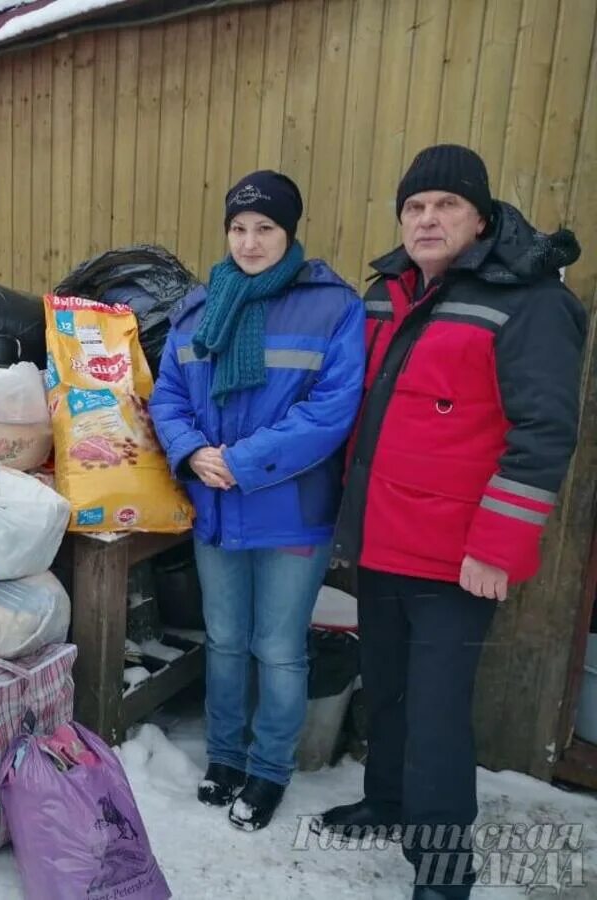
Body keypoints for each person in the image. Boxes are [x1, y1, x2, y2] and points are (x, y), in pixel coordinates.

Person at [321, 145, 586, 900]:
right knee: (391, 687)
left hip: (458, 558)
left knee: (437, 714)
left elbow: (543, 434)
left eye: (445, 205)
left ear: (480, 216)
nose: (427, 218)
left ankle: (443, 869)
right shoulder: (386, 292)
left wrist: (497, 548)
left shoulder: (530, 302)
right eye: (414, 206)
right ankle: (389, 799)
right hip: (381, 542)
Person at [150, 171, 365, 831]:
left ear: (289, 232)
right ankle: (223, 757)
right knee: (224, 641)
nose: (249, 241)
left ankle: (269, 769)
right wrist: (190, 450)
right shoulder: (196, 309)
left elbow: (333, 410)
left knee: (277, 646)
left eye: (265, 228)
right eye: (238, 228)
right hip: (216, 509)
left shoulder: (332, 307)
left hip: (289, 511)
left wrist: (240, 462)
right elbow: (168, 397)